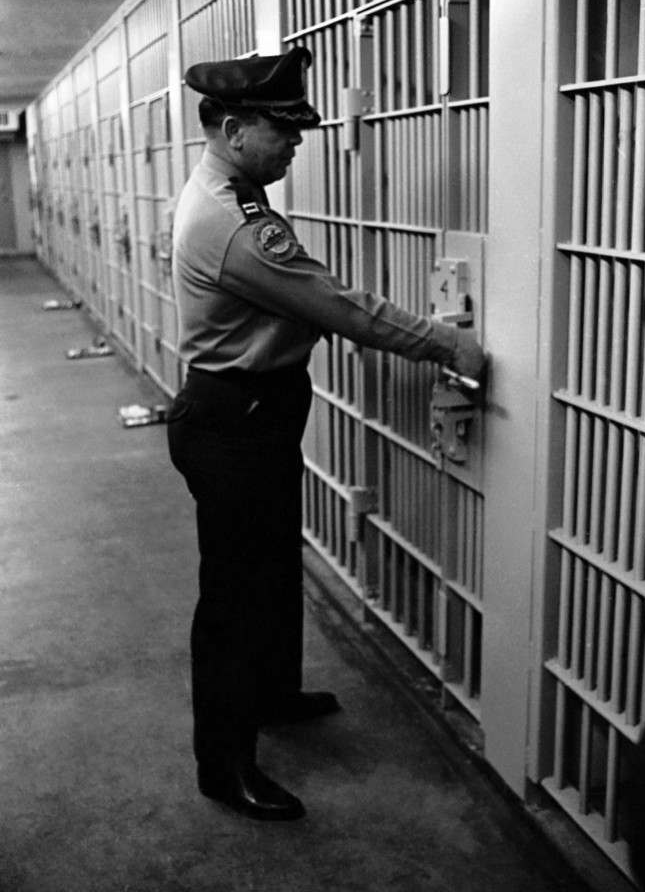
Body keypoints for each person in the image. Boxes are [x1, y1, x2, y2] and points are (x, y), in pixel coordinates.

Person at [167, 45, 486, 822]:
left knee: (273, 567)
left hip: (249, 413)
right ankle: (225, 763)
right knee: (236, 598)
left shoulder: (227, 187)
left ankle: (271, 696)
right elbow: (339, 307)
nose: (297, 145)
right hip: (235, 421)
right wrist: (448, 343)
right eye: (286, 132)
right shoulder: (235, 223)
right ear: (238, 129)